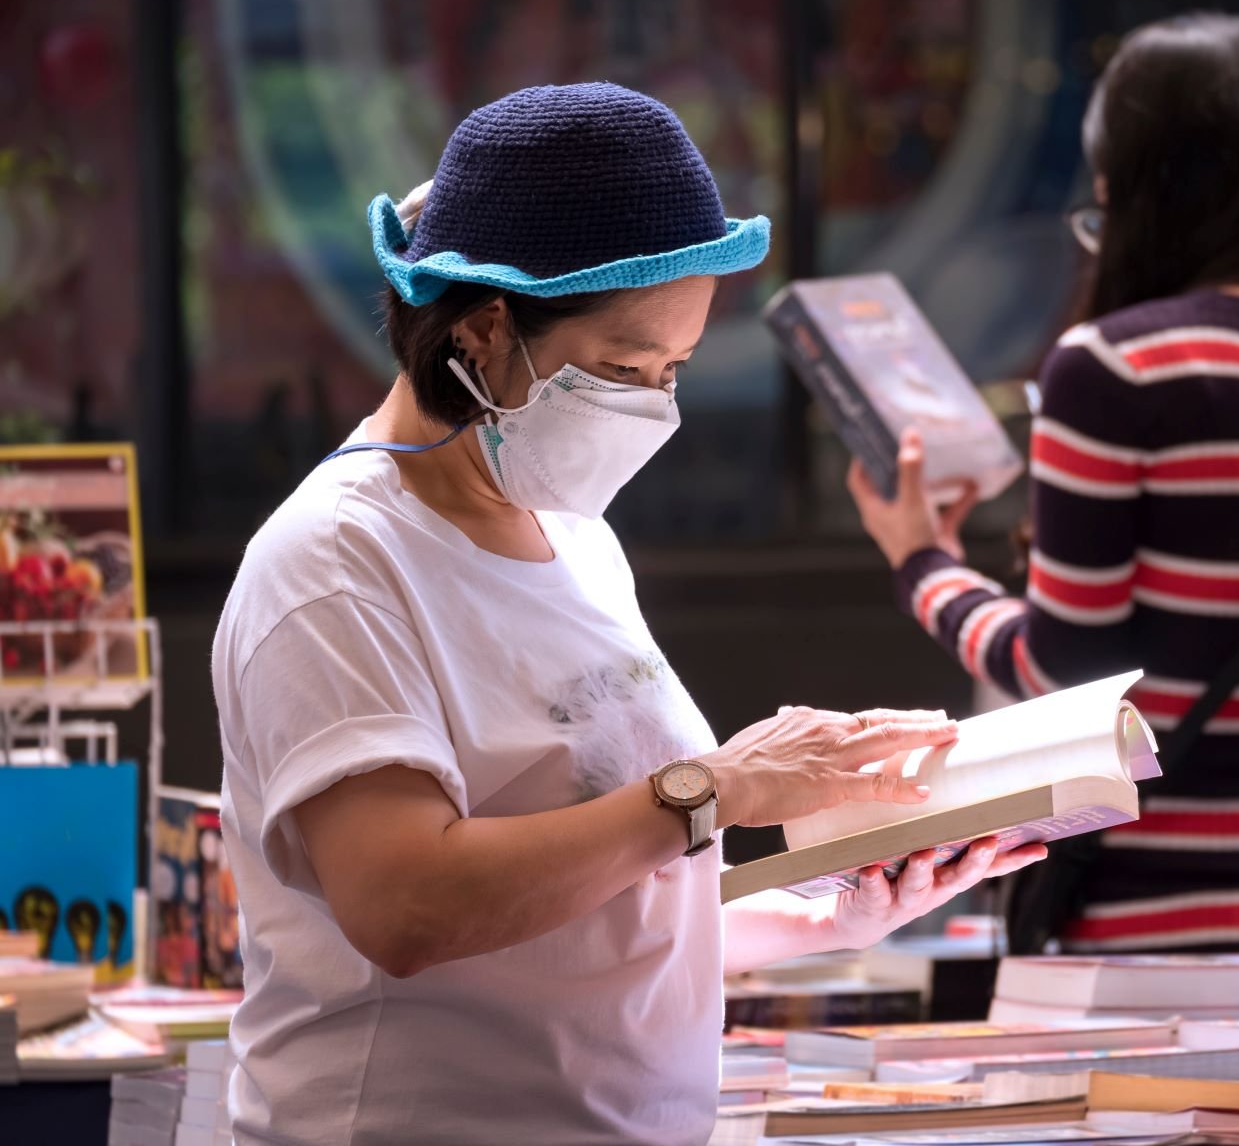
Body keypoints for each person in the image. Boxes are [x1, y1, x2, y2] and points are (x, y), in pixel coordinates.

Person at [213, 83, 1043, 1146]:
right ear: (481, 332)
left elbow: (598, 908)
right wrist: (719, 785)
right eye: (618, 367)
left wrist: (828, 916)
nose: (652, 405)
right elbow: (407, 904)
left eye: (673, 371)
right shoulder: (332, 565)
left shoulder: (575, 538)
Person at [848, 14, 1239, 980]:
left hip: (1152, 940)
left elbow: (1063, 672)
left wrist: (922, 564)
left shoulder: (1113, 372)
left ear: (1136, 195)